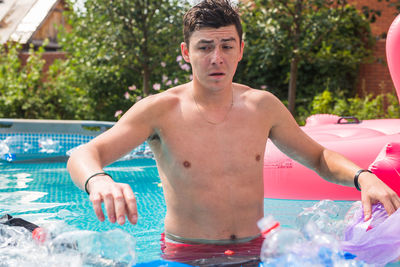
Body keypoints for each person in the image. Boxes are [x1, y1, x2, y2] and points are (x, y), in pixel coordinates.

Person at [67, 0, 400, 262]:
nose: (217, 58)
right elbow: (83, 154)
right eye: (204, 47)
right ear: (186, 52)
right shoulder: (160, 111)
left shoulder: (262, 107)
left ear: (241, 49)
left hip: (256, 251)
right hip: (186, 255)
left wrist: (363, 177)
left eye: (227, 46)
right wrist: (98, 180)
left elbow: (319, 157)